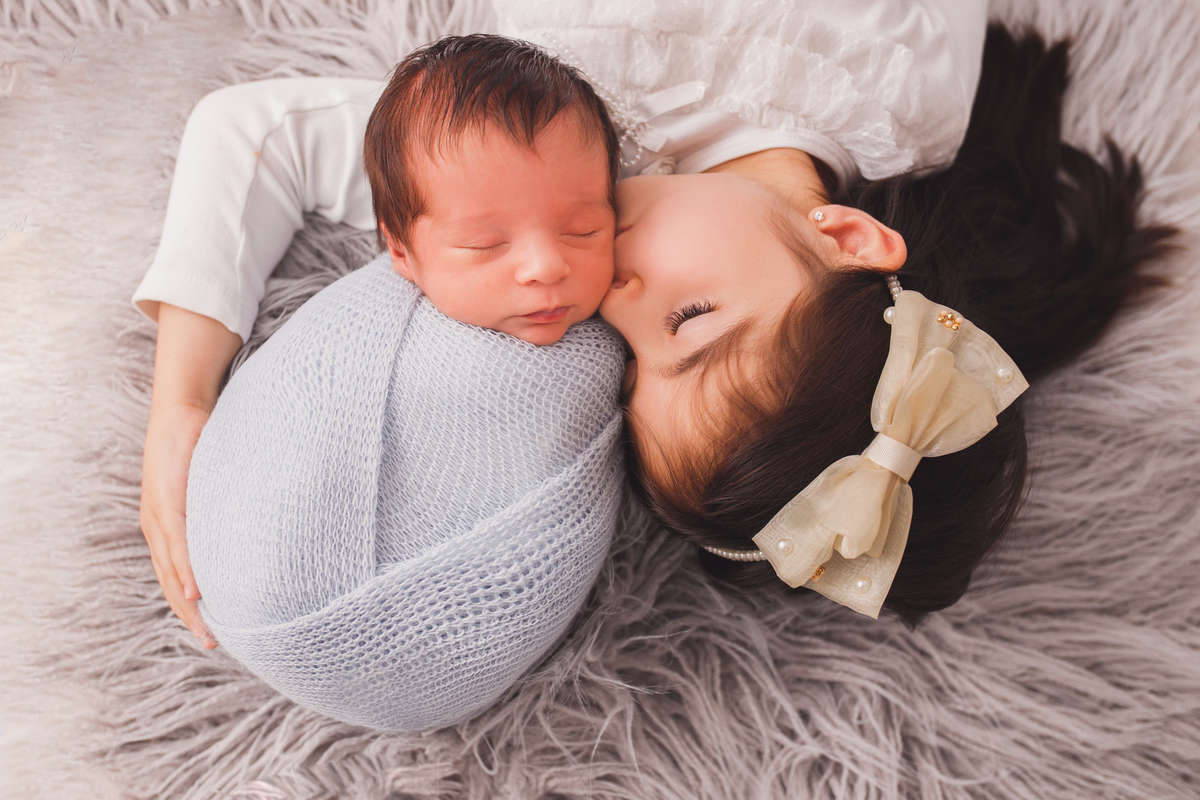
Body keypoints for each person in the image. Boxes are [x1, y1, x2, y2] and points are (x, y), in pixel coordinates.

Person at [138, 0, 1172, 651]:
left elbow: (258, 135)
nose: (612, 299)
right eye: (691, 316)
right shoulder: (920, 89)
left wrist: (183, 401)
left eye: (630, 367)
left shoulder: (542, 164)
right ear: (850, 236)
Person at [179, 35, 630, 729]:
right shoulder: (428, 172)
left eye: (583, 230)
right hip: (250, 569)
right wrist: (181, 403)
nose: (544, 266)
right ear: (400, 252)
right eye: (485, 245)